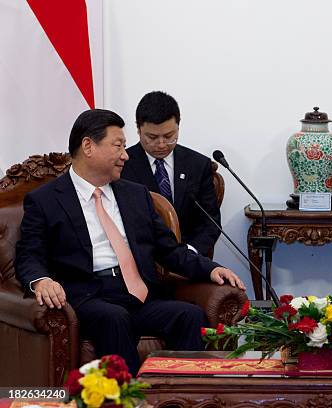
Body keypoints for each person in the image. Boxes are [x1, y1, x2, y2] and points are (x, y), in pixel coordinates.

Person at [15, 109, 246, 375]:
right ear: (88, 146)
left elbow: (169, 250)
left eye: (125, 146)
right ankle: (130, 399)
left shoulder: (135, 195)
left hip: (138, 294)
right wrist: (41, 280)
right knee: (113, 318)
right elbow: (29, 255)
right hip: (88, 296)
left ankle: (186, 398)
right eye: (118, 146)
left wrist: (209, 268)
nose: (126, 154)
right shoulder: (46, 200)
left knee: (188, 316)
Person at [121, 91, 220, 256]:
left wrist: (189, 253)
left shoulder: (198, 165)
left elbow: (210, 223)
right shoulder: (122, 165)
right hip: (141, 260)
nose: (161, 144)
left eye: (169, 136)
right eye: (152, 137)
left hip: (188, 257)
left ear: (178, 127)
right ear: (138, 129)